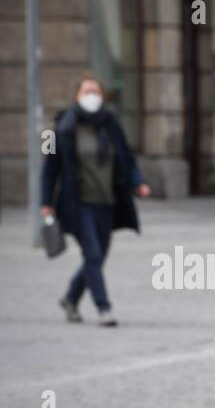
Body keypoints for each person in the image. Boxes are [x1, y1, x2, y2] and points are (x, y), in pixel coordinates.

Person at [40, 74, 151, 327]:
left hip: (107, 201)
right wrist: (45, 202)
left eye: (96, 92)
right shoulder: (55, 129)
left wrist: (138, 183)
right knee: (91, 254)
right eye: (87, 92)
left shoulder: (111, 123)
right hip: (76, 203)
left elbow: (126, 156)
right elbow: (48, 170)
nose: (92, 96)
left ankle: (70, 298)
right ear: (76, 96)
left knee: (98, 256)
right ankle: (104, 308)